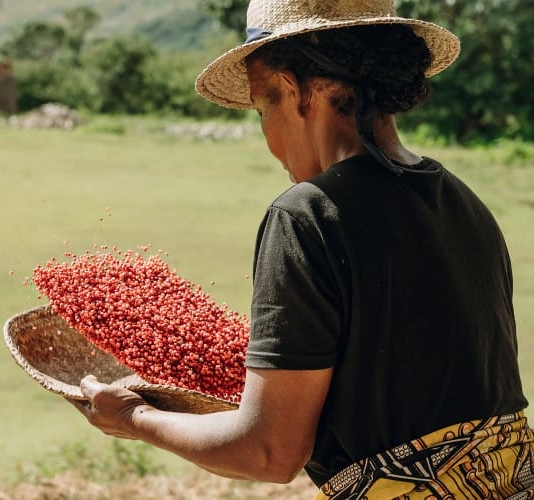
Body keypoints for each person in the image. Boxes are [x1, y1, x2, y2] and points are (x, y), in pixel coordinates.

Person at [69, 0, 533, 497]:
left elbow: (270, 452)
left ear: (293, 93)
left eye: (263, 108)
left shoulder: (306, 214)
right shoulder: (465, 204)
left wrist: (135, 418)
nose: (268, 136)